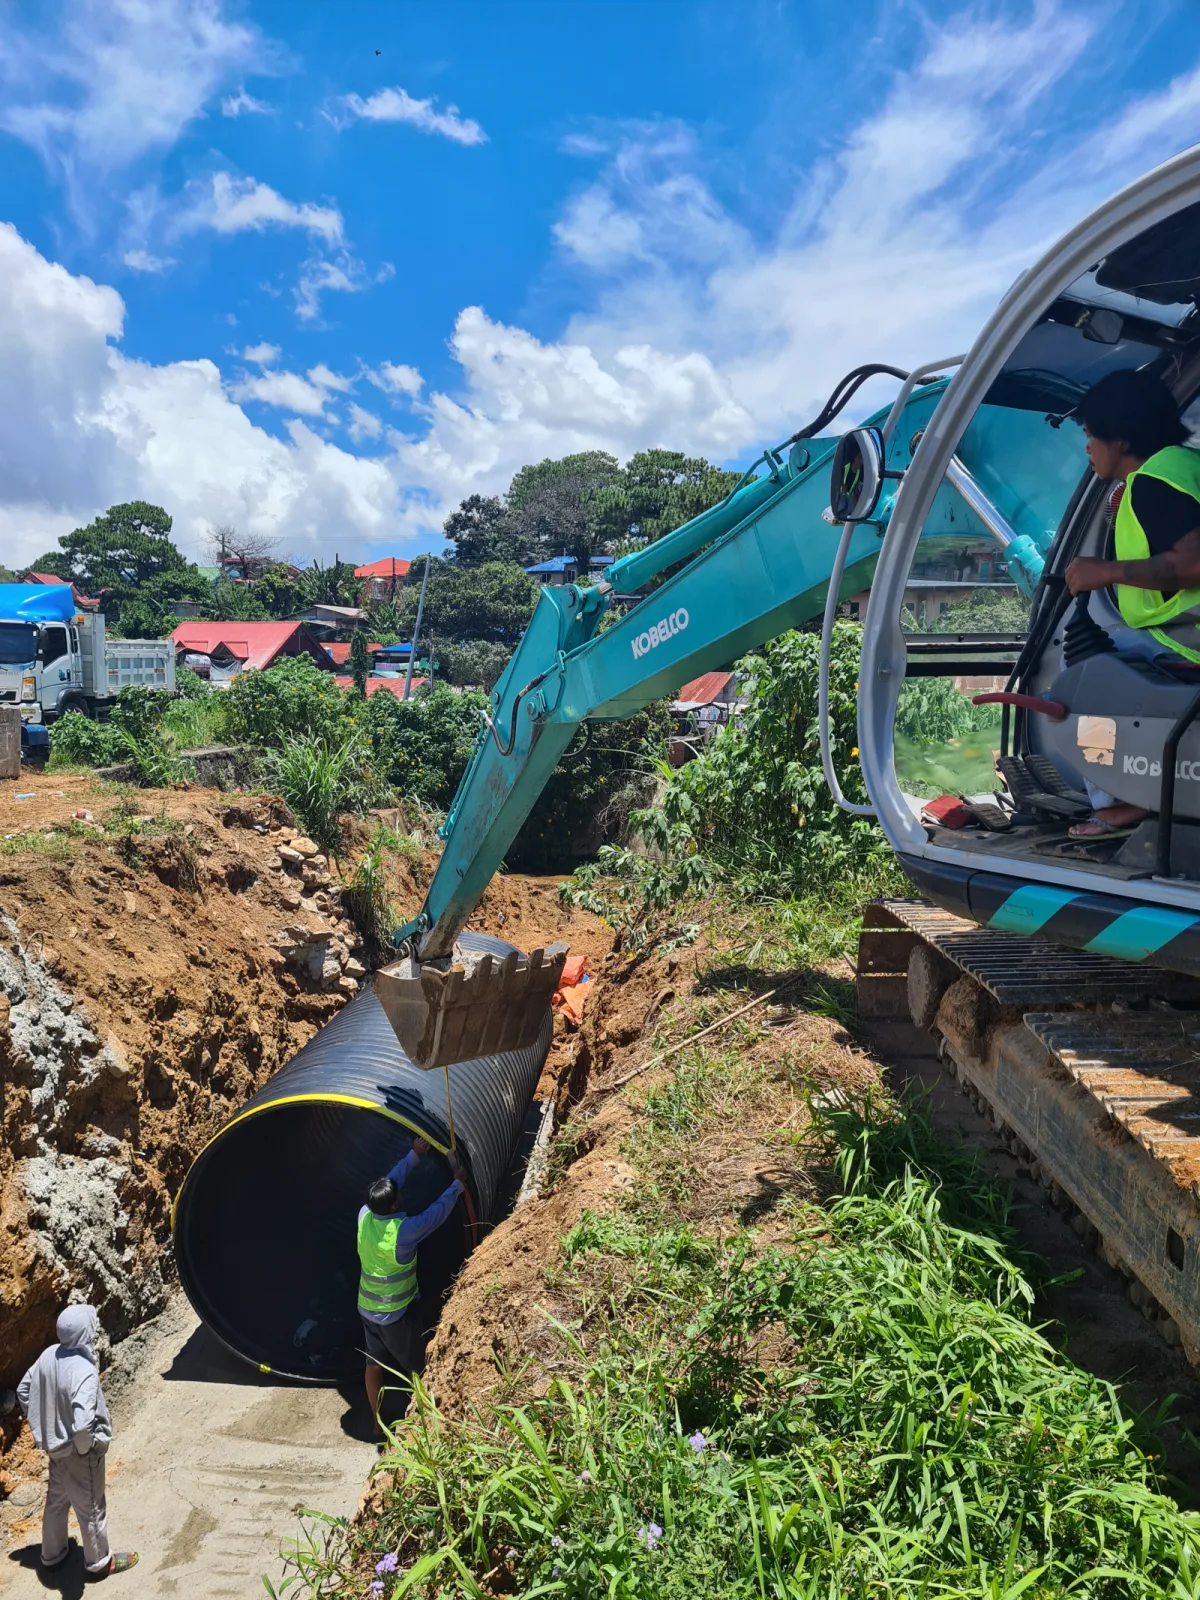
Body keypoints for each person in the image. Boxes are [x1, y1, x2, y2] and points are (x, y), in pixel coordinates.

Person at [1064, 367, 1200, 837]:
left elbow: (1192, 565)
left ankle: (1123, 799)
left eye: (1088, 434)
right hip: (1176, 634)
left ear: (1119, 437)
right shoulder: (1183, 469)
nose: (1086, 447)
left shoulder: (1154, 481)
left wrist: (1106, 571)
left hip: (1184, 640)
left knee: (1085, 686)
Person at [16, 1305, 138, 1578]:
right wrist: (86, 1449)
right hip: (78, 1452)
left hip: (55, 1447)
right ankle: (98, 1563)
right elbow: (83, 1423)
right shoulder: (83, 1370)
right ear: (85, 1333)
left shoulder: (49, 1354)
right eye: (92, 1327)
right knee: (92, 1507)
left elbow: (25, 1389)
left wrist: (44, 1420)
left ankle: (52, 1554)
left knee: (57, 1501)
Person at [357, 1134, 467, 1433]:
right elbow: (436, 1214)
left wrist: (414, 1155)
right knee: (415, 1369)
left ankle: (378, 1425)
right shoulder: (402, 1231)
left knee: (373, 1366)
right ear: (394, 1205)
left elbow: (389, 1181)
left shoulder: (364, 1216)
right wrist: (457, 1184)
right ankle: (420, 1426)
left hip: (366, 1310)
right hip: (395, 1315)